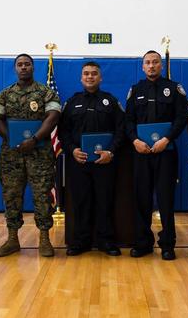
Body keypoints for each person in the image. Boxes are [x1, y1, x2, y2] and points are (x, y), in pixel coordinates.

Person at [0, 54, 60, 258]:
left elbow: (53, 117)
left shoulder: (46, 93)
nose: (23, 67)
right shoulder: (4, 94)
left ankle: (44, 239)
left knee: (42, 196)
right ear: (15, 68)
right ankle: (13, 239)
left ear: (33, 67)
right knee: (11, 196)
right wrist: (13, 139)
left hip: (40, 155)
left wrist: (35, 139)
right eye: (20, 65)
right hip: (12, 155)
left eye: (27, 64)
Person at [125, 50, 188, 260]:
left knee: (166, 199)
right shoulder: (135, 91)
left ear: (161, 65)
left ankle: (168, 244)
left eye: (155, 62)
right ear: (143, 67)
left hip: (166, 152)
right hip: (141, 152)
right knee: (141, 198)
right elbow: (128, 121)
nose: (151, 66)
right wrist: (135, 140)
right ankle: (143, 243)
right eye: (147, 63)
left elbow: (181, 118)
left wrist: (166, 139)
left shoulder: (173, 88)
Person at [58, 61, 125, 256]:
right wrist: (72, 150)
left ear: (100, 77)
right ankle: (81, 241)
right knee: (81, 202)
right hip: (79, 162)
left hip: (104, 163)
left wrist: (111, 152)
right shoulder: (71, 103)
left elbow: (121, 130)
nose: (90, 77)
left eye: (94, 73)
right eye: (86, 74)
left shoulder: (110, 101)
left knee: (105, 202)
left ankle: (106, 241)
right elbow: (63, 132)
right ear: (81, 78)